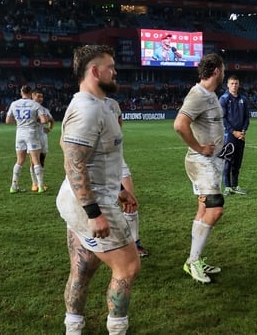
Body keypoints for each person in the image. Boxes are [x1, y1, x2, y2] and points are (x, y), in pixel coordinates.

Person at [56, 44, 140, 335]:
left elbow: (82, 154)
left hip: (84, 197)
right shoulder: (88, 109)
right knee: (128, 266)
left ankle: (73, 328)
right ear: (94, 71)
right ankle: (117, 330)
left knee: (83, 267)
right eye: (110, 67)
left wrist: (118, 188)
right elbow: (73, 161)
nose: (115, 71)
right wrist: (94, 212)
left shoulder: (98, 105)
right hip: (90, 203)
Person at [173, 53, 226, 284]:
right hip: (201, 162)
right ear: (216, 71)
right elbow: (179, 125)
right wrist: (199, 148)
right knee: (215, 210)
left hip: (212, 163)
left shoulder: (211, 94)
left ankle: (193, 260)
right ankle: (193, 260)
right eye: (222, 69)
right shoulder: (197, 95)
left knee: (204, 210)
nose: (224, 73)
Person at [106, 97, 149, 257]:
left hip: (117, 160)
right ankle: (110, 244)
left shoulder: (113, 103)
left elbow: (118, 124)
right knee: (105, 206)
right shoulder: (84, 105)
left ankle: (134, 243)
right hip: (98, 164)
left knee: (131, 202)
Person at [5, 85, 49, 193]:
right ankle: (40, 186)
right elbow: (44, 121)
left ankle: (14, 186)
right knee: (36, 160)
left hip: (19, 133)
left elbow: (8, 121)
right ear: (30, 94)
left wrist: (20, 122)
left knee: (20, 160)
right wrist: (36, 120)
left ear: (21, 92)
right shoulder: (35, 104)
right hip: (31, 132)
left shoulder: (14, 104)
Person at [219, 75, 250, 195]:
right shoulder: (224, 99)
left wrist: (243, 130)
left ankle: (235, 185)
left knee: (237, 162)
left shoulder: (243, 99)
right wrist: (233, 132)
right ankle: (227, 187)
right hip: (229, 135)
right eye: (232, 83)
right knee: (228, 161)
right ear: (227, 85)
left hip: (241, 135)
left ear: (239, 84)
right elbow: (223, 118)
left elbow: (247, 117)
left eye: (236, 83)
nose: (234, 85)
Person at [30, 88, 55, 192]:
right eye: (38, 96)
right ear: (33, 96)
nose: (40, 98)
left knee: (42, 159)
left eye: (42, 96)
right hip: (32, 136)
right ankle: (34, 184)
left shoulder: (44, 109)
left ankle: (41, 183)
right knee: (33, 160)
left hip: (42, 136)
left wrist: (49, 128)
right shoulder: (29, 108)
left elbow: (51, 120)